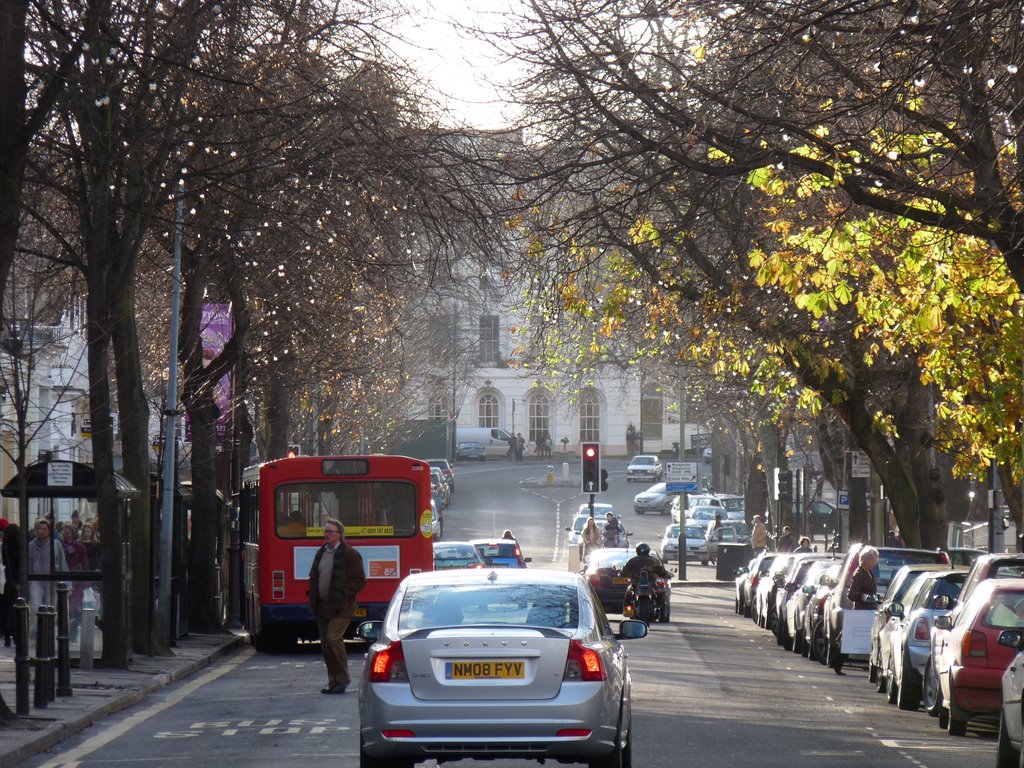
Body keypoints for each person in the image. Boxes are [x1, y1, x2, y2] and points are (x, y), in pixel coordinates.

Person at [308, 518, 366, 694]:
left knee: (334, 639)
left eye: (330, 532)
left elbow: (360, 581)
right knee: (325, 645)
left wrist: (343, 592)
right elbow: (315, 576)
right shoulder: (321, 553)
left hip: (341, 606)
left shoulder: (350, 554)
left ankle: (343, 678)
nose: (326, 535)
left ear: (339, 534)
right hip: (323, 605)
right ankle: (333, 681)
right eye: (325, 532)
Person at [832, 546, 879, 675]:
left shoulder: (869, 573)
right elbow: (851, 594)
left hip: (869, 610)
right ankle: (837, 661)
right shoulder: (859, 574)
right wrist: (864, 597)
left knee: (853, 639)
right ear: (867, 560)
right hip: (861, 610)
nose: (874, 563)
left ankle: (835, 661)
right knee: (852, 640)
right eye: (873, 560)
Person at [28, 518, 68, 610]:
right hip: (36, 580)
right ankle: (36, 625)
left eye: (44, 529)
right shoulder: (31, 546)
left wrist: (66, 583)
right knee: (35, 607)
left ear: (49, 531)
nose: (41, 531)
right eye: (39, 529)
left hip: (52, 580)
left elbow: (62, 564)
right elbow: (29, 564)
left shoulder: (55, 544)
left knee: (51, 607)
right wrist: (29, 581)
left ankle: (50, 624)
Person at [620, 543, 672, 613]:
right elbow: (662, 572)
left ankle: (628, 611)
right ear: (648, 551)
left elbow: (624, 572)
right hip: (652, 583)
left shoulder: (633, 561)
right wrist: (667, 575)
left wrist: (622, 574)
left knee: (629, 593)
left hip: (636, 583)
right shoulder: (654, 561)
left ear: (637, 551)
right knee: (660, 592)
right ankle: (662, 611)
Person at [0, 522, 18, 647]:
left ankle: (7, 635)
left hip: (5, 581)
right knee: (17, 609)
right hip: (17, 580)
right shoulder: (21, 545)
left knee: (6, 608)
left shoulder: (4, 545)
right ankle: (16, 634)